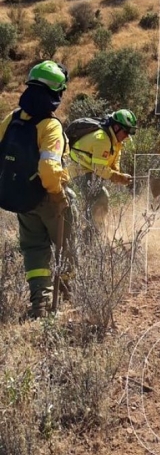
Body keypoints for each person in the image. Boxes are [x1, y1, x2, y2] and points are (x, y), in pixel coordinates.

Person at [0, 60, 74, 318]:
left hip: (21, 198)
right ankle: (67, 293)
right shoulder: (50, 126)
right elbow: (50, 169)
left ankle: (39, 304)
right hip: (48, 198)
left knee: (33, 249)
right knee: (66, 245)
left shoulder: (12, 119)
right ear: (56, 93)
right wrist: (58, 195)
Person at [68, 109, 137, 228]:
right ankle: (93, 232)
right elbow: (99, 168)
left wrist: (119, 175)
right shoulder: (103, 139)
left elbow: (114, 161)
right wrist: (118, 177)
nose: (127, 136)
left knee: (99, 198)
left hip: (90, 170)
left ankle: (94, 228)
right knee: (101, 197)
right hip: (79, 171)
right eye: (125, 132)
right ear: (116, 127)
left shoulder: (116, 141)